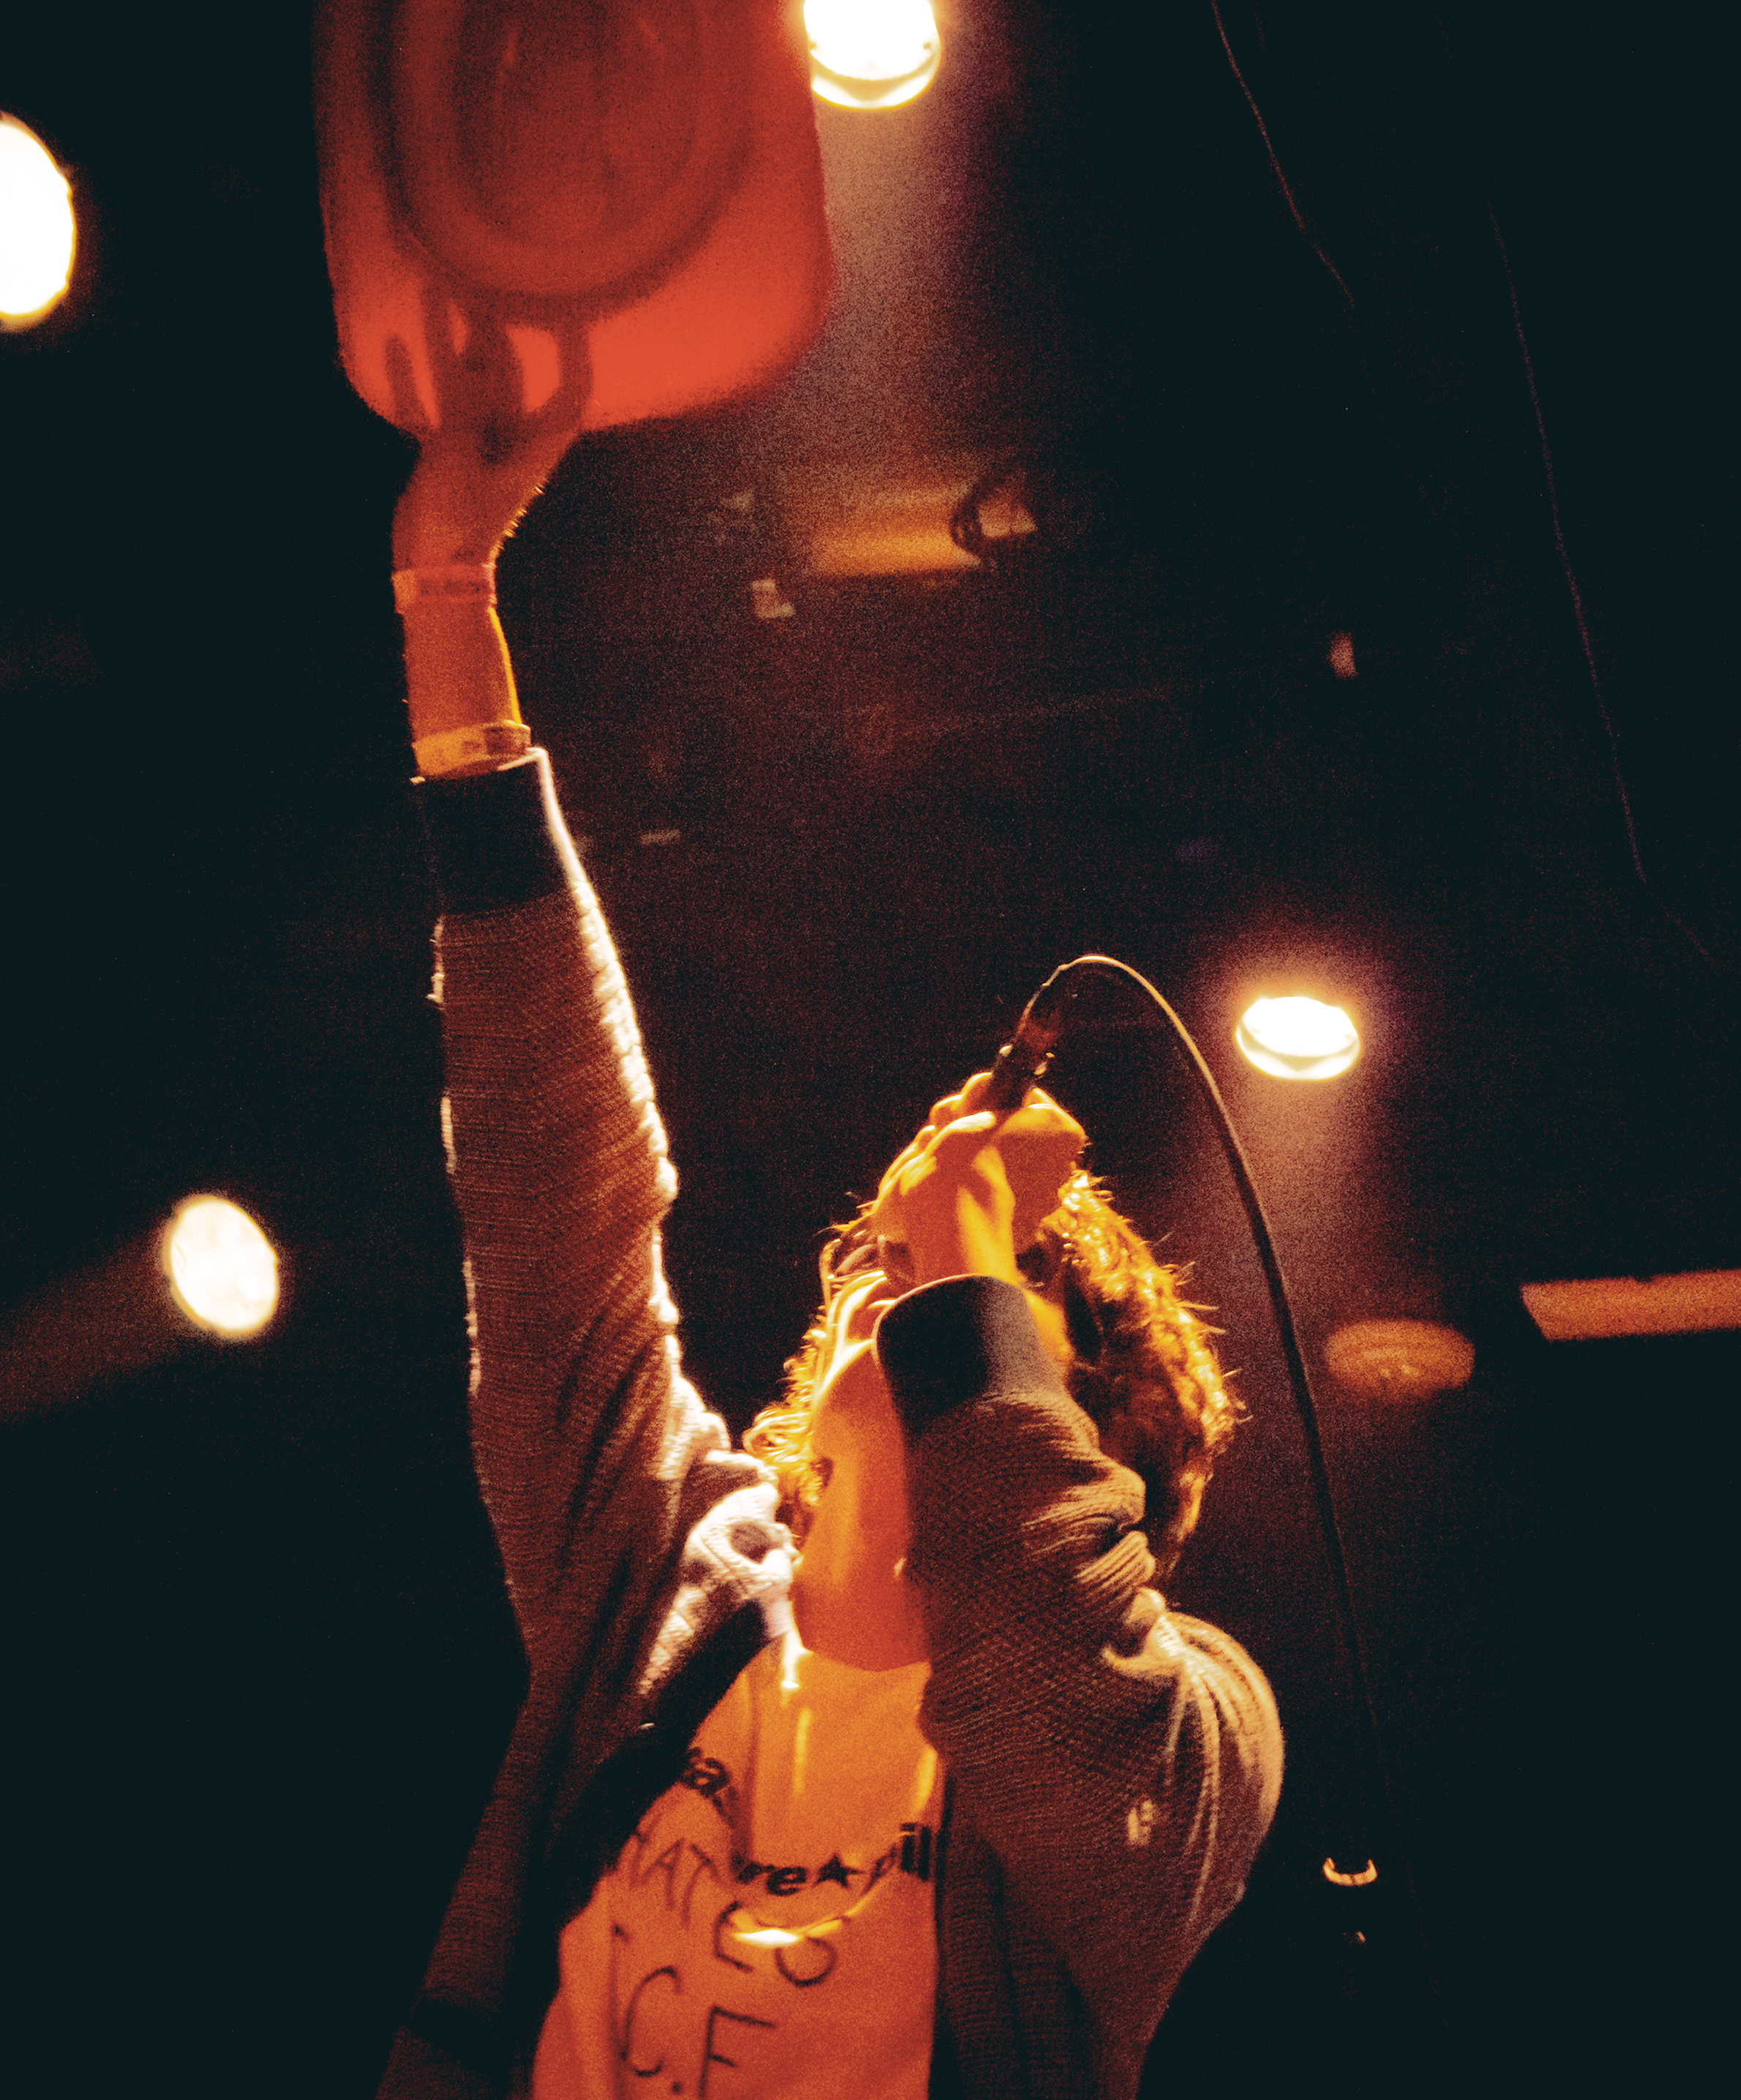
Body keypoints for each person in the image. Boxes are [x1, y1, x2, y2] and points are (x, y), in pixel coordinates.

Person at [379, 311, 1281, 2100]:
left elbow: (1056, 1692)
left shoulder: (1199, 1724)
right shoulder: (668, 1582)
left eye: (981, 1301)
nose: (909, 1274)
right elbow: (555, 1192)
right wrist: (447, 604)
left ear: (1081, 1444)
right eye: (899, 1263)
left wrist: (972, 1270)